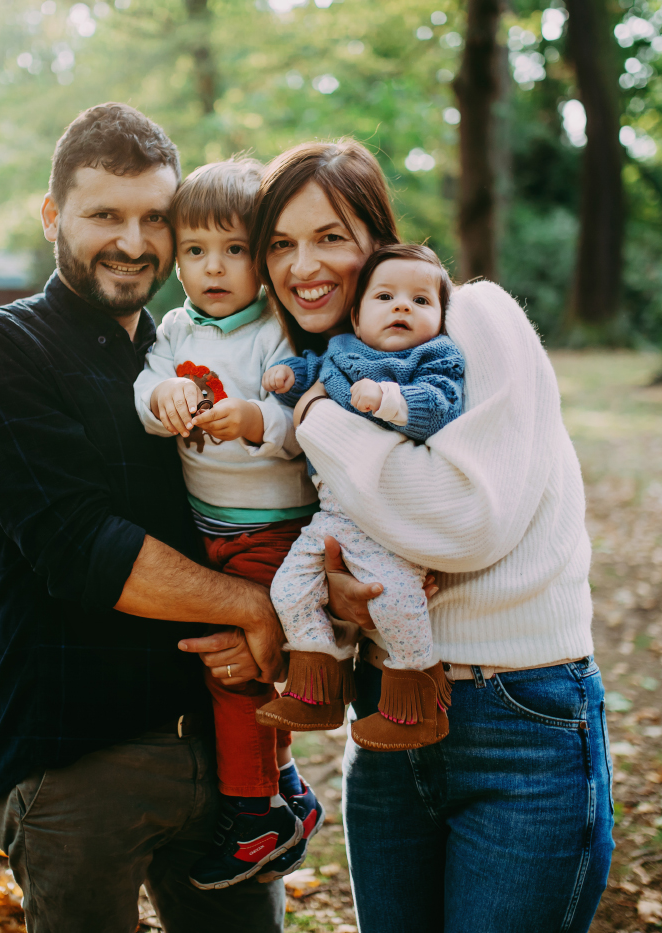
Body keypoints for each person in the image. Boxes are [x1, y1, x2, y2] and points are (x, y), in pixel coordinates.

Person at [236, 138, 614, 932]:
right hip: (385, 726)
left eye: (330, 237)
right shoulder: (320, 365)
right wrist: (343, 599)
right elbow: (357, 545)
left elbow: (464, 521)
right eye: (280, 243)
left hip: (520, 717)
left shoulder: (472, 315)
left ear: (378, 239)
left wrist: (316, 420)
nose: (303, 265)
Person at [0, 102, 287, 933]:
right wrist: (257, 608)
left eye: (155, 218)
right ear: (53, 215)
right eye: (104, 215)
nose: (134, 241)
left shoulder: (182, 351)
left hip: (227, 754)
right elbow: (81, 549)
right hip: (80, 761)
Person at [132, 157, 324, 890]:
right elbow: (146, 384)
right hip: (207, 525)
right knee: (235, 659)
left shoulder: (274, 330)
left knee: (235, 674)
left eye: (235, 250)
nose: (213, 269)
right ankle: (287, 791)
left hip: (272, 527)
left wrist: (256, 418)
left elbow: (303, 419)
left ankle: (255, 818)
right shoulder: (177, 328)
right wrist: (164, 400)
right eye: (194, 251)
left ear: (263, 256)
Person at [256, 244, 465, 752]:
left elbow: (440, 403)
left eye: (420, 301)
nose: (402, 308)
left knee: (395, 603)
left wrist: (391, 401)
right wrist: (289, 379)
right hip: (332, 514)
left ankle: (415, 701)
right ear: (356, 313)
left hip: (385, 521)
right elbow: (315, 374)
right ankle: (317, 684)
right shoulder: (342, 349)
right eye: (386, 296)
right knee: (289, 589)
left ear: (440, 317)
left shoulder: (433, 356)